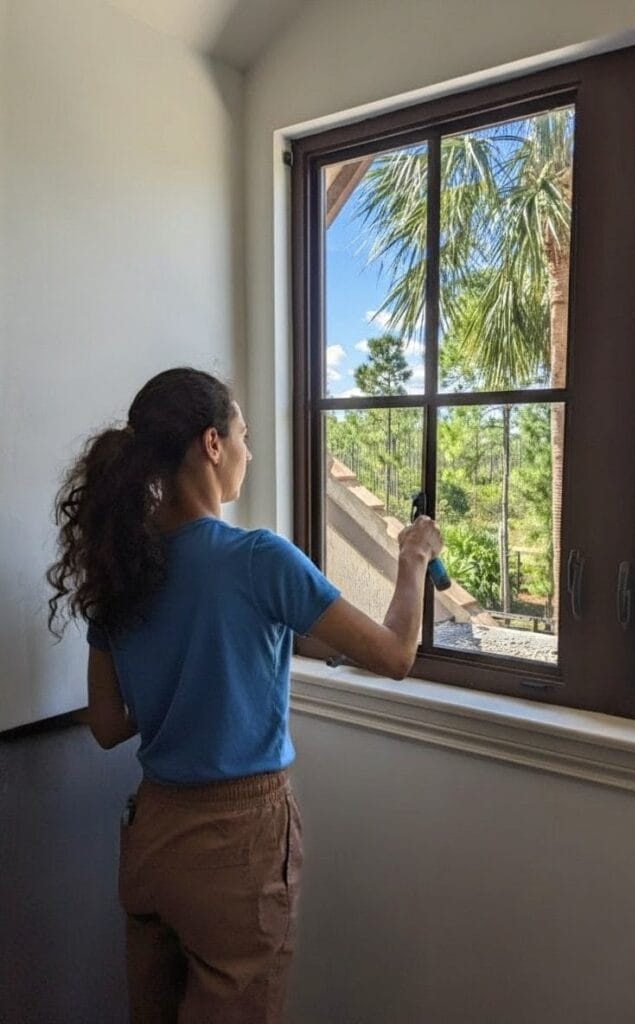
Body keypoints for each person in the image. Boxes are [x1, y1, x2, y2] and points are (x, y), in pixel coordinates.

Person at [47, 367, 442, 1023]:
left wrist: (181, 683)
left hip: (152, 836)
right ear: (211, 443)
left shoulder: (120, 565)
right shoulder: (258, 558)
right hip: (237, 844)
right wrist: (412, 561)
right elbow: (395, 655)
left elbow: (107, 725)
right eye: (243, 436)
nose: (249, 454)